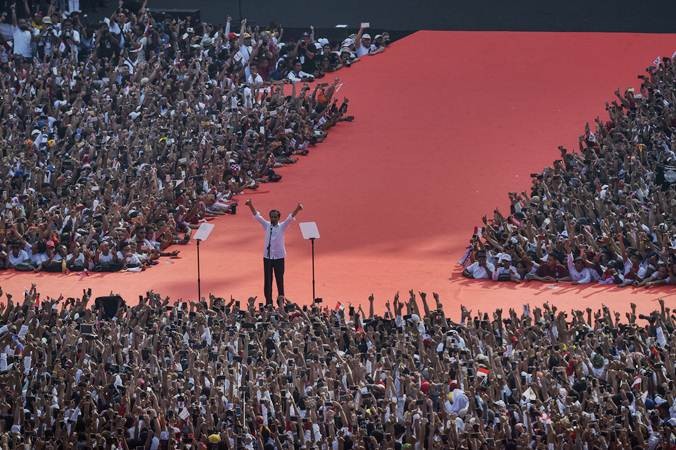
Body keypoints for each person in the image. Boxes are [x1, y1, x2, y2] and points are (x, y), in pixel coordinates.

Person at [245, 199, 303, 304]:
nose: (273, 219)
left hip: (279, 257)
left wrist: (297, 209)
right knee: (268, 280)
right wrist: (250, 205)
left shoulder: (282, 226)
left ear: (278, 218)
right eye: (272, 217)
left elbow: (290, 218)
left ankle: (281, 302)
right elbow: (257, 217)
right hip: (267, 257)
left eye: (275, 217)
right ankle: (269, 302)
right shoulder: (267, 225)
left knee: (279, 279)